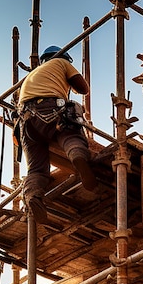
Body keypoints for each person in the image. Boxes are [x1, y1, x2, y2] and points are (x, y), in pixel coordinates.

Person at [16, 45, 96, 224]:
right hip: (49, 107)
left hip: (26, 121)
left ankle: (32, 196)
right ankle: (77, 156)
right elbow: (83, 88)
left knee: (36, 169)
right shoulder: (61, 62)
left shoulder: (31, 76)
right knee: (69, 133)